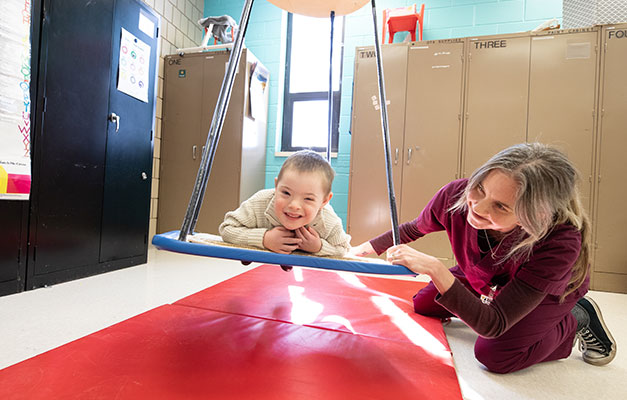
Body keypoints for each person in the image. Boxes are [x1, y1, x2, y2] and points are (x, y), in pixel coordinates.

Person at [350, 143, 616, 373]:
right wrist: (363, 249)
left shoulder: (560, 241)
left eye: (500, 206)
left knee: (496, 356)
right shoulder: (456, 195)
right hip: (486, 276)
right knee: (423, 305)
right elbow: (413, 228)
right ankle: (487, 293)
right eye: (479, 188)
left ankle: (574, 320)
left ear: (537, 216)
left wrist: (435, 269)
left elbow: (494, 323)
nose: (476, 207)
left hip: (544, 294)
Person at [219, 150, 351, 257]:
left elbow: (343, 249)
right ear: (276, 186)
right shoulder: (260, 202)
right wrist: (265, 239)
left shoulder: (328, 220)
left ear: (324, 201)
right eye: (286, 193)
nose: (294, 205)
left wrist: (318, 247)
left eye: (308, 199)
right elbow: (227, 229)